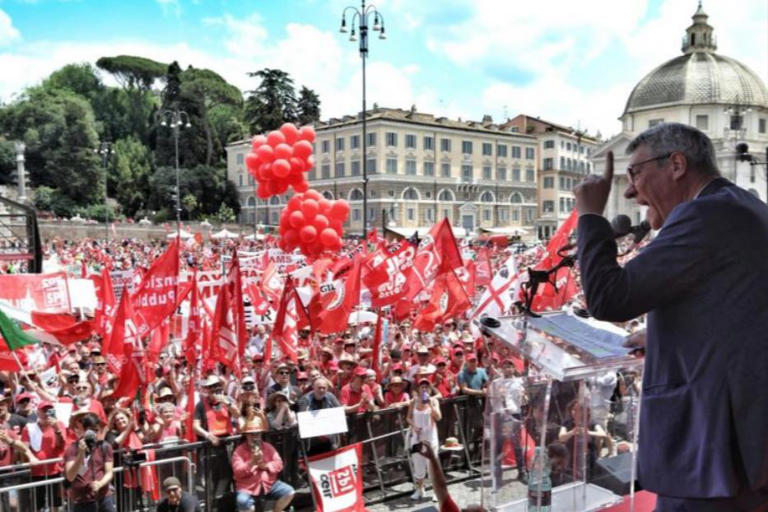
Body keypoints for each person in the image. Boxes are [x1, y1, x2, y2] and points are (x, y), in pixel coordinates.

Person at [574, 122, 768, 511]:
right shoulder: (742, 206)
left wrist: (590, 215)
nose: (630, 192)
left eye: (635, 174)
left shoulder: (706, 214)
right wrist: (664, 335)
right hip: (744, 442)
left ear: (676, 164)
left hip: (713, 449)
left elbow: (609, 299)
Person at [231, 418, 295, 512]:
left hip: (269, 484)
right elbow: (238, 472)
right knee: (243, 502)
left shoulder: (268, 447)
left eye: (257, 433)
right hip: (247, 487)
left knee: (289, 492)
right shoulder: (239, 451)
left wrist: (265, 466)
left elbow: (279, 464)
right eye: (251, 434)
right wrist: (252, 462)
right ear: (246, 435)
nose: (255, 437)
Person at [63, 412, 115, 511]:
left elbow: (109, 472)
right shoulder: (72, 448)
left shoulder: (104, 446)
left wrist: (100, 484)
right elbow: (70, 476)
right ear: (83, 430)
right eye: (90, 430)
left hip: (104, 498)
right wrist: (81, 454)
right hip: (82, 501)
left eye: (96, 430)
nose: (94, 433)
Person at [406, 378, 441, 501]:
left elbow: (438, 417)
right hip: (417, 439)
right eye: (422, 387)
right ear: (418, 389)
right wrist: (414, 426)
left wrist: (431, 406)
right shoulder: (413, 402)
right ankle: (419, 489)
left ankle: (436, 492)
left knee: (432, 466)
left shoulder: (434, 401)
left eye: (427, 387)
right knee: (418, 465)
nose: (424, 389)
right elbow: (408, 418)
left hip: (430, 438)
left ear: (430, 389)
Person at [297, 378, 341, 456]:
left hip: (329, 439)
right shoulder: (305, 400)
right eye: (319, 387)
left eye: (324, 388)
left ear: (327, 388)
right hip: (312, 442)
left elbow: (339, 412)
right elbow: (302, 419)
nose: (321, 390)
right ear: (313, 387)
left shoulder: (330, 397)